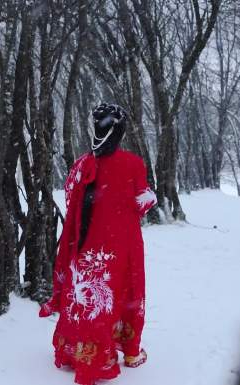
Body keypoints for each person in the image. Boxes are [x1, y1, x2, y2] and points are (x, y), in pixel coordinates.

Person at [39, 103, 157, 385]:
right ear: (119, 132)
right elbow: (143, 201)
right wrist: (149, 196)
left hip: (85, 245)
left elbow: (72, 201)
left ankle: (76, 354)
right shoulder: (133, 163)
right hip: (122, 244)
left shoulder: (81, 164)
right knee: (122, 293)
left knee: (85, 300)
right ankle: (128, 352)